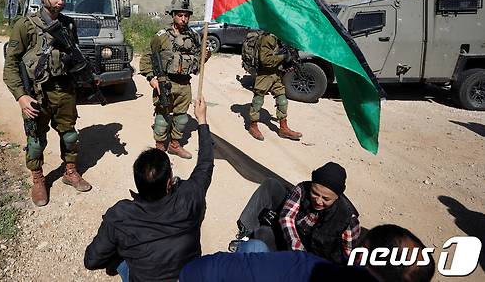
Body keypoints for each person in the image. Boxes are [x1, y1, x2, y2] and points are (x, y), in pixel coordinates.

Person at [84, 97, 213, 282]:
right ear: (169, 183)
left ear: (137, 182)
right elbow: (206, 163)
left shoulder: (120, 215)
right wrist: (202, 120)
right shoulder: (189, 196)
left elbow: (92, 261)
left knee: (116, 260)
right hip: (188, 277)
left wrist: (121, 247)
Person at [2, 0, 91, 207]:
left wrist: (86, 77)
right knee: (35, 140)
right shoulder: (25, 25)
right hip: (37, 93)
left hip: (65, 90)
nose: (60, 1)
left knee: (70, 135)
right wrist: (21, 97)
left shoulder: (68, 24)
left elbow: (75, 56)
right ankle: (38, 178)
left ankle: (70, 172)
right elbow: (11, 64)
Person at [179, 224, 435, 282]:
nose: (320, 200)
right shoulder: (301, 193)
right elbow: (288, 218)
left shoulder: (308, 269)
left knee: (253, 249)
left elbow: (201, 270)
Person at [236, 162, 360, 265]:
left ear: (337, 197)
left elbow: (348, 256)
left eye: (326, 199)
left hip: (315, 265)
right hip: (292, 246)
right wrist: (298, 251)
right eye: (315, 193)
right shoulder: (301, 190)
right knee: (260, 236)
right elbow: (286, 218)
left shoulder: (348, 219)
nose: (318, 201)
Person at [138, 0, 205, 159]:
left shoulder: (194, 36)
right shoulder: (162, 36)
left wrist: (205, 55)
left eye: (186, 15)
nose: (183, 19)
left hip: (184, 84)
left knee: (182, 118)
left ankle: (175, 145)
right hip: (165, 82)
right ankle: (160, 148)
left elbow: (199, 57)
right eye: (180, 15)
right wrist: (152, 80)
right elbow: (148, 57)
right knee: (162, 118)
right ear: (173, 15)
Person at [246, 31, 302, 141]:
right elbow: (266, 61)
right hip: (265, 74)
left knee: (282, 100)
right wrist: (283, 57)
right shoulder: (268, 38)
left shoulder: (279, 37)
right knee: (258, 100)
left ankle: (283, 128)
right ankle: (253, 126)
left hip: (276, 73)